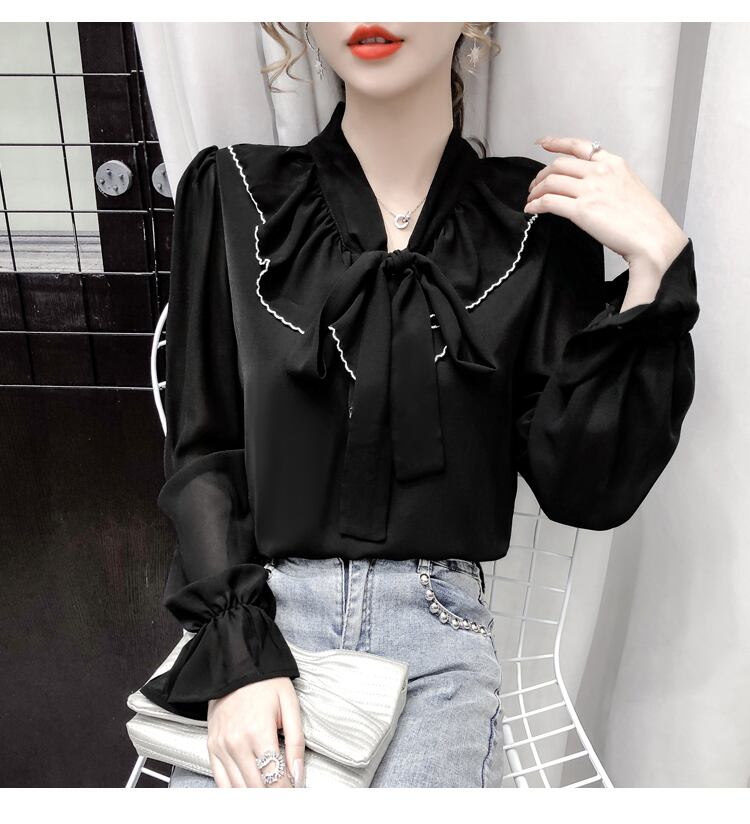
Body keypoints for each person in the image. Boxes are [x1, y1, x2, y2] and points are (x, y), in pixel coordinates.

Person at [141, 22, 699, 789]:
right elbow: (204, 450)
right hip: (265, 625)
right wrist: (237, 657)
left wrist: (653, 271)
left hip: (435, 645)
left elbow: (585, 486)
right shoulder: (234, 192)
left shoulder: (536, 222)